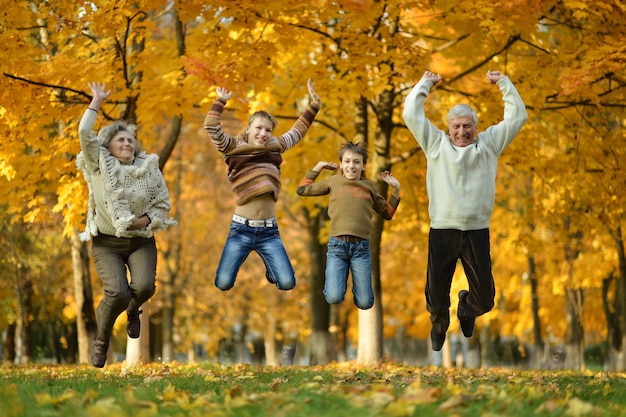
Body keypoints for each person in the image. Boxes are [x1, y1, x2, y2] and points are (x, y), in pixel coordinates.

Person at [402, 70, 528, 351]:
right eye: (456, 126)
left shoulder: (489, 144)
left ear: (475, 127)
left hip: (476, 232)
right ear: (448, 128)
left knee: (485, 300)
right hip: (442, 231)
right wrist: (425, 84)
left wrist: (504, 83)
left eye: (467, 126)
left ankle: (467, 308)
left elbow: (518, 117)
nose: (462, 132)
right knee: (434, 299)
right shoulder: (435, 145)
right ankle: (439, 322)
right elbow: (411, 114)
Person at [77, 82, 176, 367]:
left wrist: (145, 220)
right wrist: (96, 101)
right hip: (107, 243)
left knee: (144, 287)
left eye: (130, 140)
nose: (127, 143)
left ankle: (134, 311)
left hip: (141, 240)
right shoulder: (99, 164)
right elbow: (85, 133)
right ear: (107, 146)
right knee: (117, 292)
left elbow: (161, 204)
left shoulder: (148, 169)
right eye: (121, 140)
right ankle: (102, 339)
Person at [204, 79, 321, 291]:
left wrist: (313, 106)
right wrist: (221, 100)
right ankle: (263, 262)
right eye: (258, 128)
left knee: (286, 283)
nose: (263, 133)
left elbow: (297, 132)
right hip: (240, 229)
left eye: (268, 130)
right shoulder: (232, 147)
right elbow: (211, 127)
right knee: (223, 283)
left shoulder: (275, 147)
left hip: (269, 231)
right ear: (248, 129)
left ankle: (270, 266)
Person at [296, 141, 401, 309]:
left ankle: (357, 289)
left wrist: (396, 189)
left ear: (363, 166)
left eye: (356, 162)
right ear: (341, 164)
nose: (351, 166)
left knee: (365, 303)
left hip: (361, 249)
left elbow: (387, 213)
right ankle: (336, 283)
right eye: (347, 161)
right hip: (337, 247)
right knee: (334, 297)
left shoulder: (370, 187)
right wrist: (319, 166)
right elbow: (303, 189)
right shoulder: (334, 182)